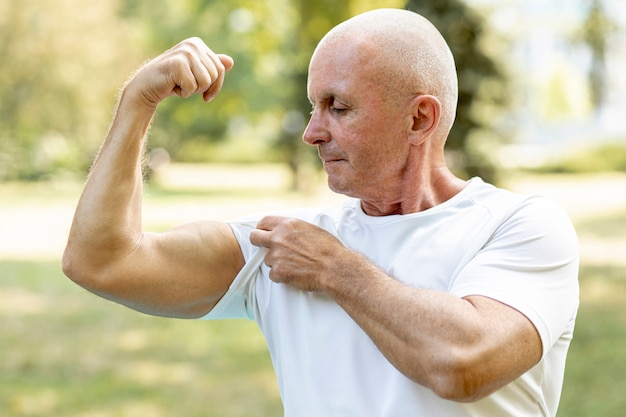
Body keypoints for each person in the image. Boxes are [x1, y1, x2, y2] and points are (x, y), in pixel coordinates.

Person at [63, 8, 579, 416]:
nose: (312, 131)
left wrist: (335, 268)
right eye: (314, 106)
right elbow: (103, 262)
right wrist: (137, 103)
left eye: (338, 106)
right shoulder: (287, 245)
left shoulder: (520, 226)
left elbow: (464, 364)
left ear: (419, 118)